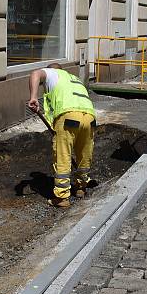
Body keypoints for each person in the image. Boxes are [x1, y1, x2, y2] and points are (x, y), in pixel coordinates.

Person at [27, 63, 96, 208]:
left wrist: (33, 97)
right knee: (84, 153)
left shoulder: (52, 73)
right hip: (89, 117)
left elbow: (35, 74)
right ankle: (80, 187)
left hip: (68, 116)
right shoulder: (73, 78)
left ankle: (62, 197)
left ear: (51, 69)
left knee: (63, 154)